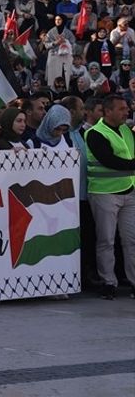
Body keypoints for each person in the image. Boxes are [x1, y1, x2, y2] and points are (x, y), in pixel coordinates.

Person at [83, 94, 135, 300]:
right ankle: (108, 282)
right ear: (108, 111)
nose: (126, 112)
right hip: (104, 193)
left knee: (131, 240)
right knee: (106, 240)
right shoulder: (95, 133)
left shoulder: (126, 131)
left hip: (129, 191)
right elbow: (109, 161)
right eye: (121, 109)